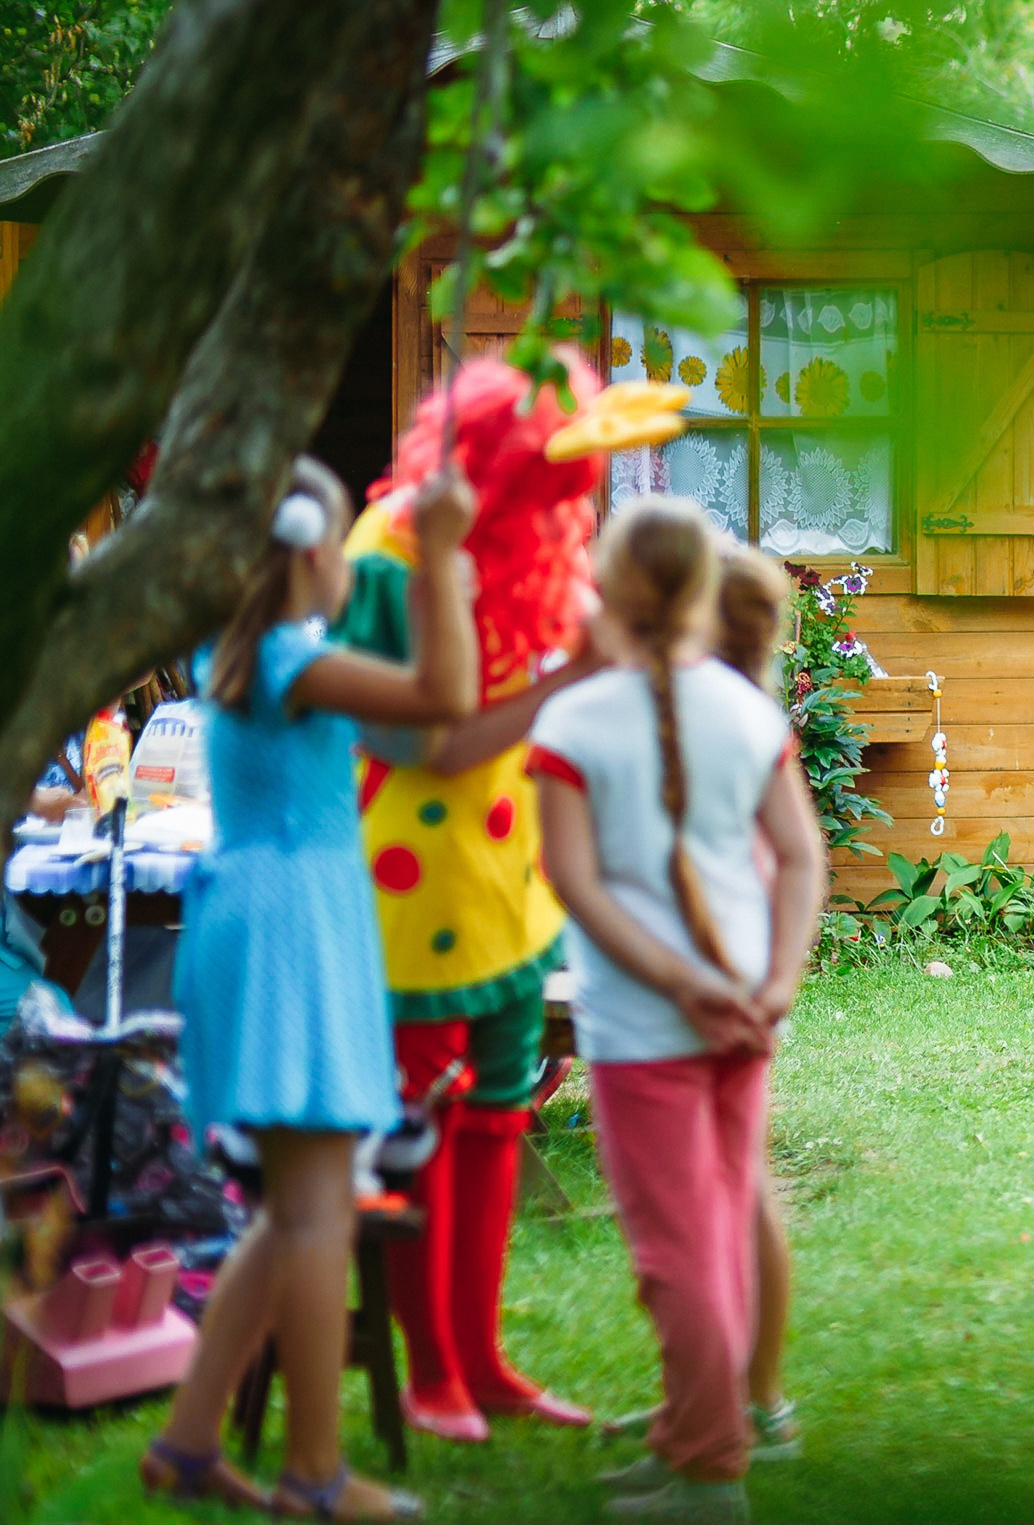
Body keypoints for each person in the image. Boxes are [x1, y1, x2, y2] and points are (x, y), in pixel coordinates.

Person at [142, 456, 479, 1522]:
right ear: (310, 553)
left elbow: (423, 736)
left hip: (273, 913)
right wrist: (441, 559)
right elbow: (441, 692)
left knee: (295, 1207)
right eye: (341, 543)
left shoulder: (260, 657)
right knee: (319, 1208)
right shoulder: (294, 659)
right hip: (294, 926)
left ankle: (189, 1444)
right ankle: (314, 1478)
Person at [527, 500, 825, 1523]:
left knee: (677, 1252)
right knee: (721, 1225)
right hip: (746, 1011)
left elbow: (574, 882)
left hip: (644, 1027)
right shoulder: (745, 710)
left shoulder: (570, 720)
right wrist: (773, 982)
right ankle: (701, 1431)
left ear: (607, 589)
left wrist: (682, 981)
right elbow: (800, 859)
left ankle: (709, 1474)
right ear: (700, 593)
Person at [334, 356, 615, 1443]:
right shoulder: (385, 555)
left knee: (496, 1117)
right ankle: (431, 1371)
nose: (566, 505)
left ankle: (485, 1358)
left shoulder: (537, 534)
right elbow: (421, 740)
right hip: (406, 896)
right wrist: (563, 683)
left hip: (508, 885)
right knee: (424, 1131)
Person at [596, 542, 805, 1463]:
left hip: (714, 980)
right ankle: (740, 1398)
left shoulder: (701, 715)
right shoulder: (741, 709)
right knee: (738, 1187)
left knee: (717, 1203)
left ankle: (736, 1405)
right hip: (750, 974)